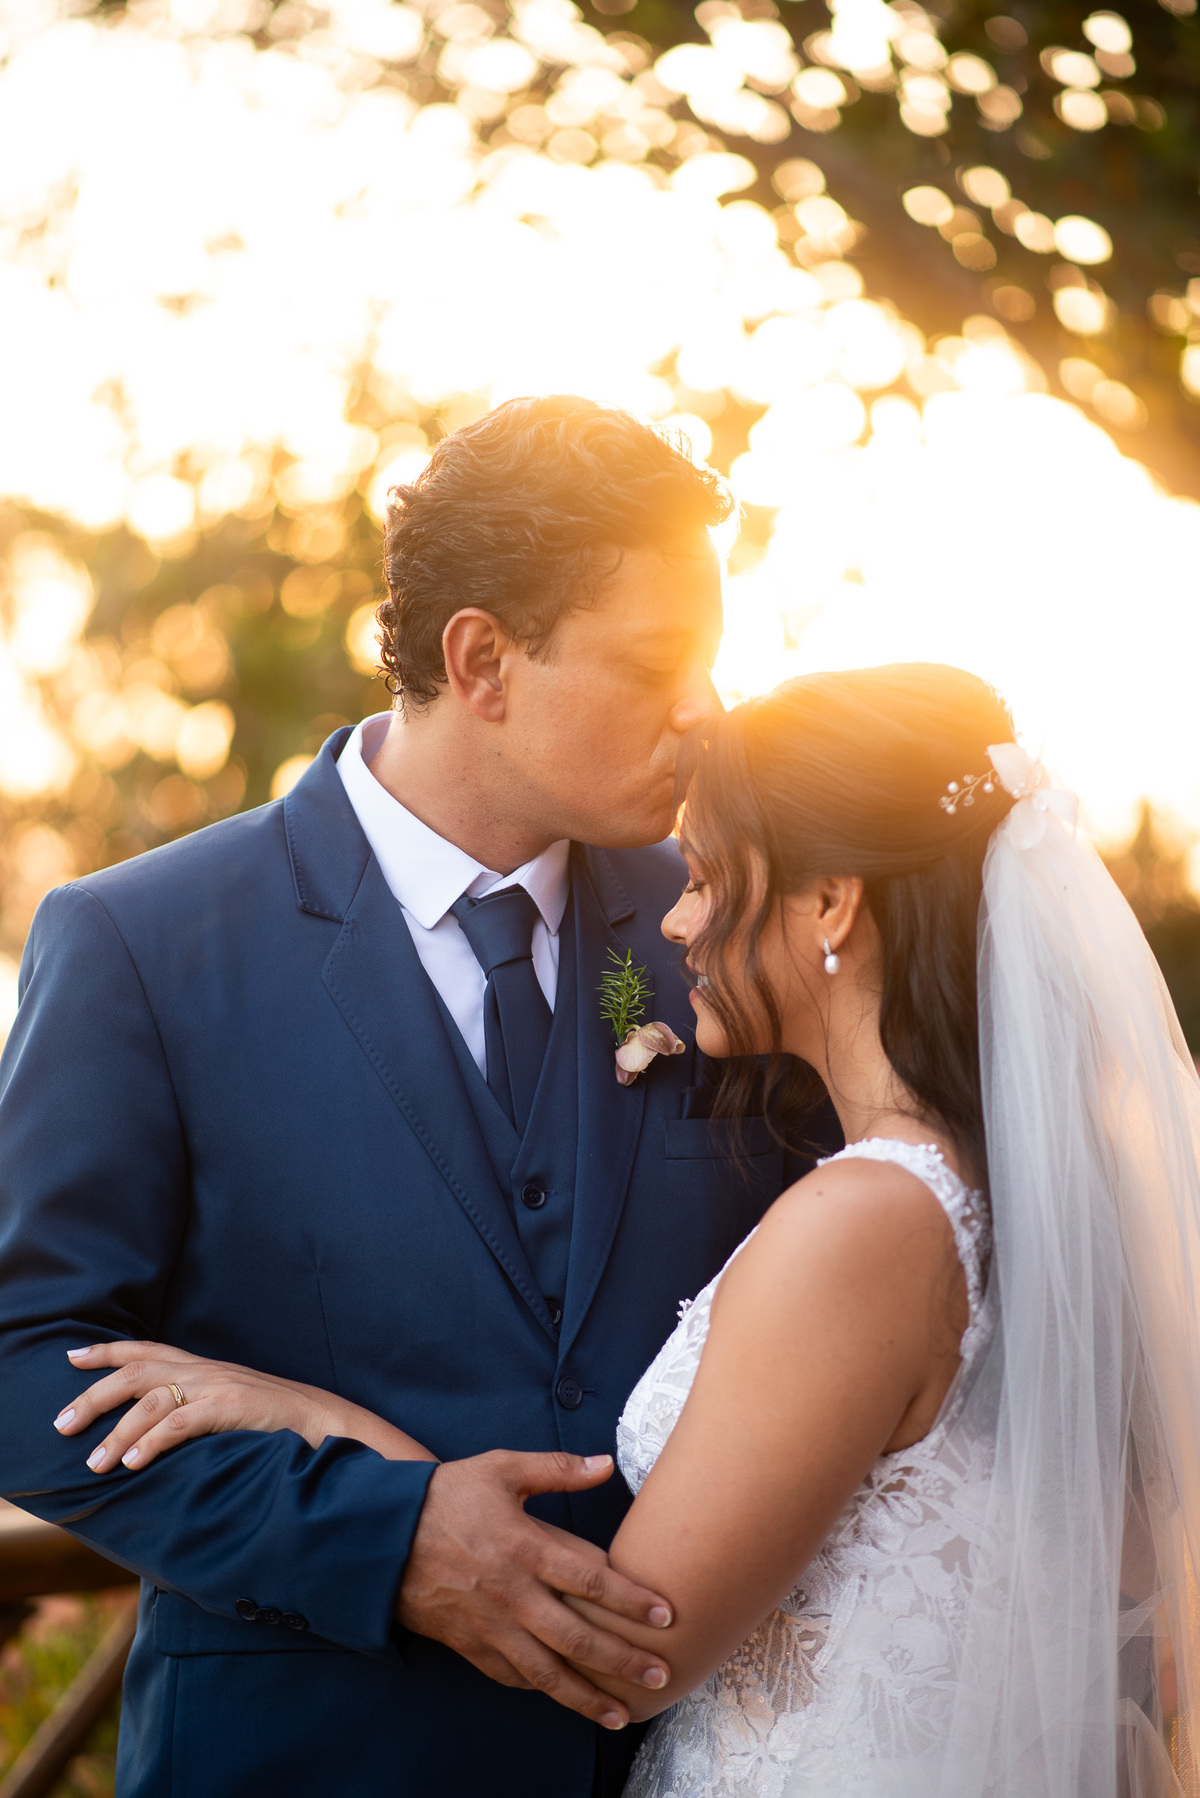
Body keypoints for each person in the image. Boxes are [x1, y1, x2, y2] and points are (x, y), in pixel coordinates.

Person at [60, 663, 1200, 1796]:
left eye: (709, 877)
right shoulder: (987, 1184)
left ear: (831, 904)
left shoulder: (865, 1220)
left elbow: (626, 1644)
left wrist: (306, 1413)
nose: (675, 918)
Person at [0, 398, 828, 1798]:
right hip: (304, 1759)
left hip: (688, 1759)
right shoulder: (143, 943)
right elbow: (22, 1366)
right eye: (652, 664)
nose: (704, 711)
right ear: (483, 659)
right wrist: (385, 1538)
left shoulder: (718, 927)